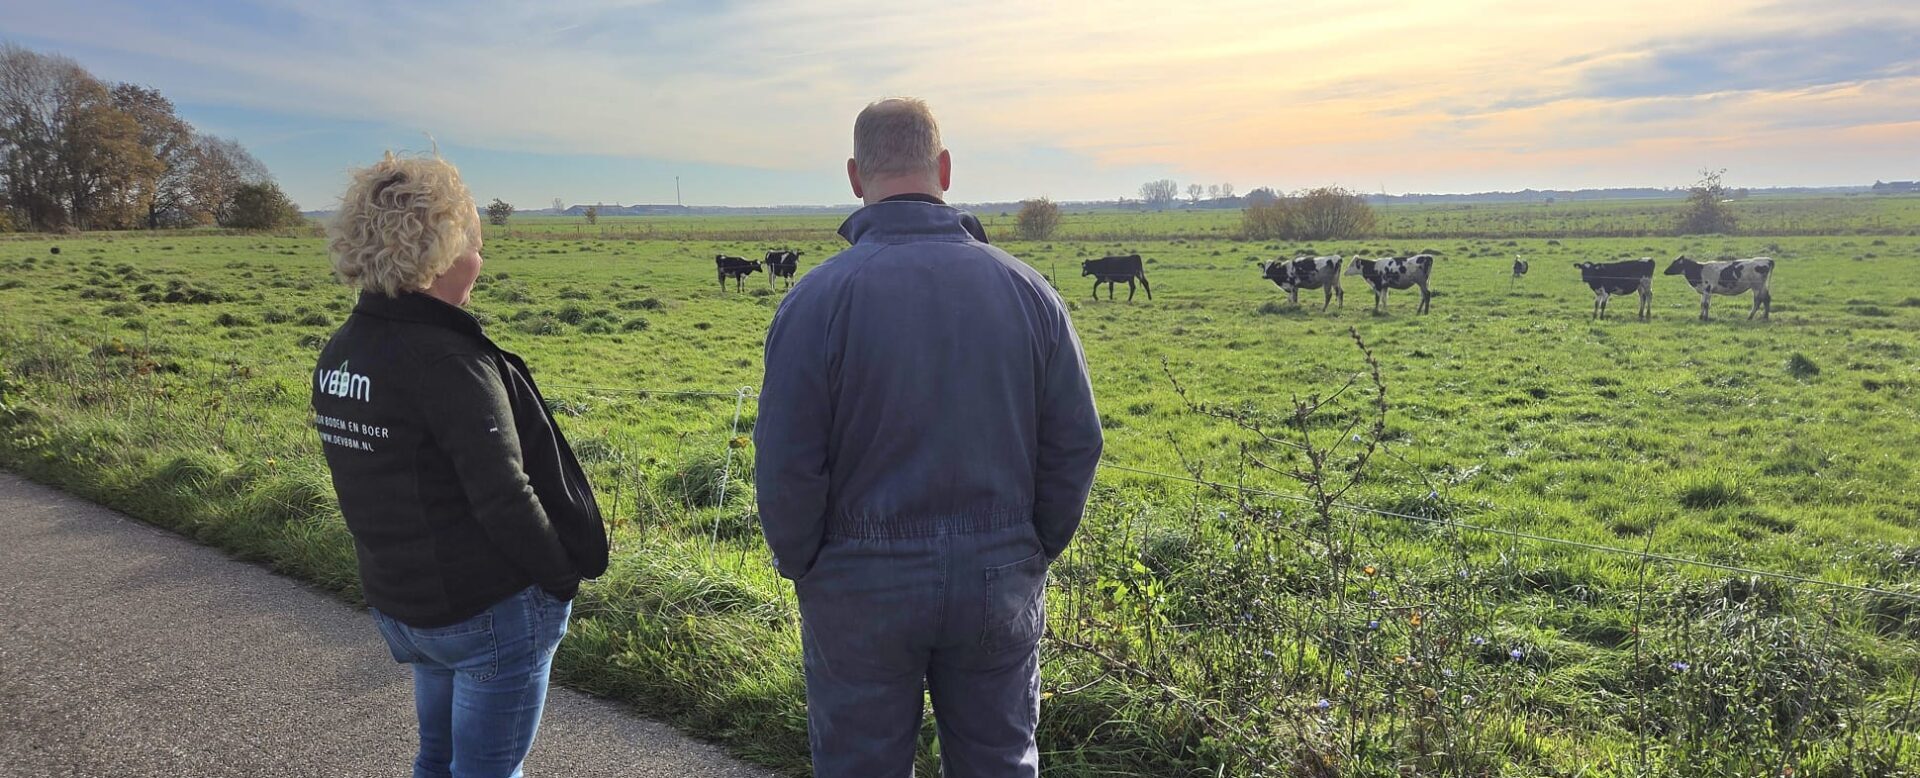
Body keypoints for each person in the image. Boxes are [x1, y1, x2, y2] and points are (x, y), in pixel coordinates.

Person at [754, 98, 1104, 777]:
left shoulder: (815, 301)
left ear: (856, 177)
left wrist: (806, 562)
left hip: (857, 579)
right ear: (943, 168)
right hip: (998, 574)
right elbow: (1076, 443)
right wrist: (1031, 545)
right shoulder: (1030, 292)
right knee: (999, 762)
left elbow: (787, 461)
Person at [311, 152, 608, 778]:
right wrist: (558, 582)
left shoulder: (342, 351)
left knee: (437, 758)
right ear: (440, 249)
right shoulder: (448, 359)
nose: (481, 258)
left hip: (405, 604)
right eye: (474, 241)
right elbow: (505, 493)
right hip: (485, 611)